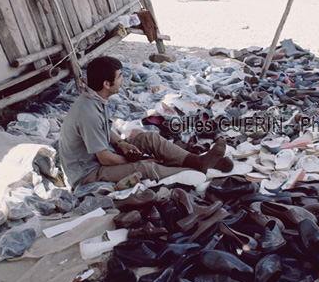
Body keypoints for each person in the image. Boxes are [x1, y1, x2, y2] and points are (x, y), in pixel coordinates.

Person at [59, 56, 232, 190]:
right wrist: (131, 163)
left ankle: (197, 161)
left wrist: (120, 144)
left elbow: (104, 130)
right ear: (106, 83)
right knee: (144, 168)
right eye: (119, 77)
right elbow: (104, 158)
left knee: (149, 139)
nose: (122, 80)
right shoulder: (87, 112)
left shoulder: (96, 98)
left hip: (102, 155)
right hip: (88, 172)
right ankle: (198, 171)